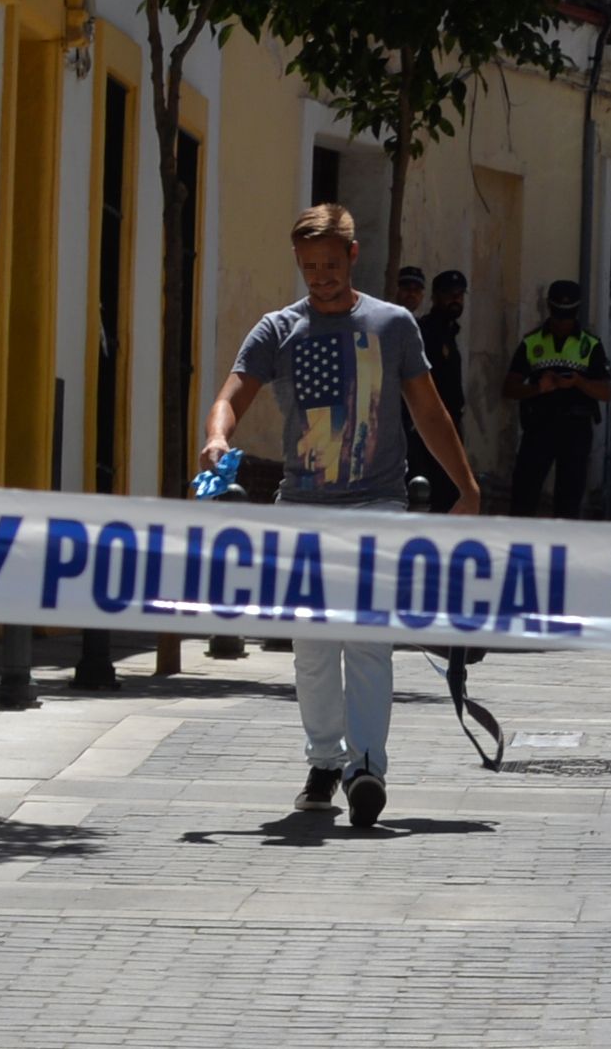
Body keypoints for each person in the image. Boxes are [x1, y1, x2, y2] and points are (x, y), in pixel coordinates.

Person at [202, 205, 479, 829]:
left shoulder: (392, 324)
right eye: (308, 267)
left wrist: (465, 485)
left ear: (353, 256)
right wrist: (218, 436)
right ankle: (325, 762)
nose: (320, 277)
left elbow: (429, 412)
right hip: (303, 510)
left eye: (330, 264)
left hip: (377, 504)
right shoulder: (278, 330)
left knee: (367, 640)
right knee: (313, 650)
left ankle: (367, 768)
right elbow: (233, 392)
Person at [504, 279, 610, 518]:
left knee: (569, 502)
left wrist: (578, 382)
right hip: (539, 426)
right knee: (524, 496)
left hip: (575, 429)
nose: (562, 322)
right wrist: (538, 388)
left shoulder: (590, 345)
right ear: (549, 309)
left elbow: (606, 392)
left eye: (567, 316)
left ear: (576, 312)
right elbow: (509, 388)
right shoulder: (532, 342)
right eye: (558, 315)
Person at [407, 269, 468, 512]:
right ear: (434, 297)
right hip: (427, 428)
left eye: (459, 294)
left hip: (450, 423)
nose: (455, 299)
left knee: (449, 495)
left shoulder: (450, 332)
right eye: (449, 294)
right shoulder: (425, 331)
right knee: (426, 493)